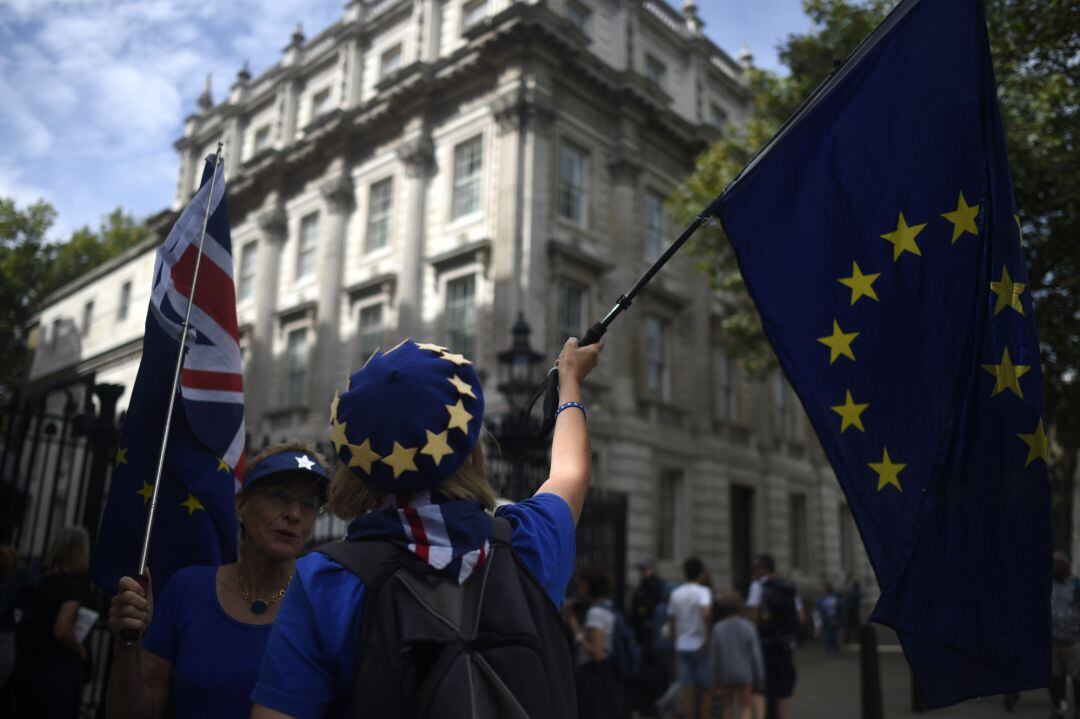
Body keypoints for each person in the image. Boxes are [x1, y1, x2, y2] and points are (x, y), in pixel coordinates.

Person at [251, 337, 603, 718]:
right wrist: (569, 380)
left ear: (356, 464)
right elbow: (570, 473)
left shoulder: (326, 578)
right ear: (470, 447)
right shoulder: (526, 543)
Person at [105, 441, 331, 719]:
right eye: (280, 496)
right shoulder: (188, 589)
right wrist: (127, 645)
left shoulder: (324, 605)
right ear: (241, 504)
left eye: (308, 504)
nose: (294, 514)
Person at [10, 525, 92, 718]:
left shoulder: (38, 580)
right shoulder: (74, 586)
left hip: (26, 667)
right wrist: (81, 652)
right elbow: (62, 629)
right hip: (55, 674)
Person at [747, 554, 804, 719]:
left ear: (761, 569)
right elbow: (800, 617)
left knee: (762, 686)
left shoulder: (757, 586)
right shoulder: (788, 587)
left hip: (765, 644)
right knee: (783, 690)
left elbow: (754, 617)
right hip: (786, 644)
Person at [574, 570, 629, 719]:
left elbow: (598, 653)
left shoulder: (596, 613)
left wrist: (577, 634)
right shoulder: (609, 609)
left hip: (595, 673)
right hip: (607, 671)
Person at [667, 556, 713, 719]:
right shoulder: (703, 592)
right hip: (700, 644)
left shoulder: (676, 593)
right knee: (706, 689)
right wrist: (708, 635)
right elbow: (706, 613)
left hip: (682, 644)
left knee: (687, 689)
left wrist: (673, 636)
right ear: (700, 573)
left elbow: (672, 620)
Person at [710, 591, 763, 719]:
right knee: (745, 707)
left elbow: (714, 655)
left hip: (725, 673)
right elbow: (755, 655)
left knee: (728, 706)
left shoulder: (718, 628)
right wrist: (759, 675)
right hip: (745, 673)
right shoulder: (749, 627)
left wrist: (713, 676)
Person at [1049, 552, 1080, 717]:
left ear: (1066, 566)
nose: (1053, 568)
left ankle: (1077, 711)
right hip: (1054, 640)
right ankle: (1058, 708)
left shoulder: (1076, 585)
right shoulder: (1049, 584)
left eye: (1056, 565)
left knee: (1077, 678)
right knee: (1055, 678)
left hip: (1074, 641)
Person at [817, 580, 841, 655]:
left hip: (834, 618)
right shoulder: (823, 598)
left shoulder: (835, 597)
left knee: (834, 635)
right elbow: (819, 607)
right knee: (827, 635)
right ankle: (829, 649)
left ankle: (835, 650)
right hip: (826, 618)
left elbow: (839, 607)